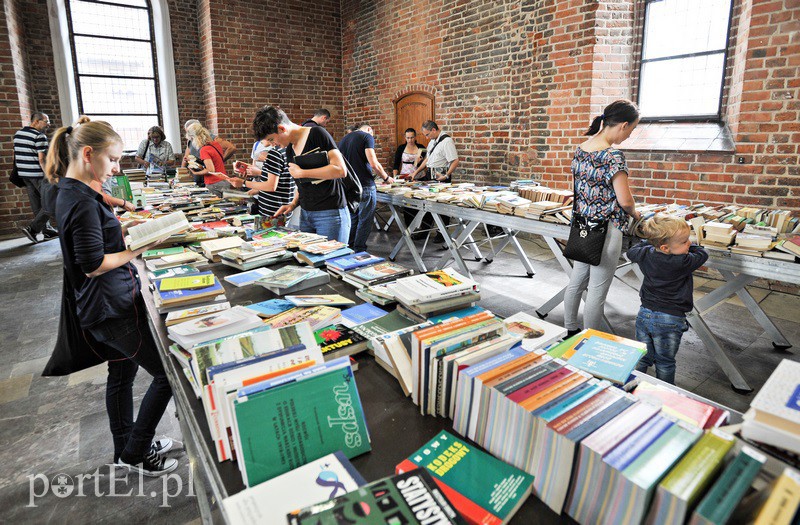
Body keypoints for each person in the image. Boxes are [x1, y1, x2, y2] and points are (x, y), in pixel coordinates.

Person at [47, 118, 177, 476]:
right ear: (89, 154)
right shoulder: (81, 200)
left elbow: (93, 242)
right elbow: (92, 264)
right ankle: (136, 451)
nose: (117, 168)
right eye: (114, 159)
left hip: (105, 304)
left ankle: (126, 444)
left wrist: (123, 231)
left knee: (123, 372)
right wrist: (141, 246)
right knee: (167, 374)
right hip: (109, 307)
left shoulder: (74, 190)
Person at [563, 99, 641, 336]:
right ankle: (589, 339)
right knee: (597, 288)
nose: (629, 135)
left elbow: (579, 189)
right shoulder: (613, 156)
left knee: (577, 280)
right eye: (632, 129)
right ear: (623, 125)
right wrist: (636, 214)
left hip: (582, 226)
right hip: (606, 229)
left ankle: (570, 331)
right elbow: (625, 201)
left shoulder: (582, 147)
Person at [627, 215, 708, 384]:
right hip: (670, 319)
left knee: (642, 358)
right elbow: (703, 253)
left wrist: (651, 242)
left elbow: (631, 252)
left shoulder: (646, 254)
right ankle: (665, 393)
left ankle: (630, 385)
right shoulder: (683, 262)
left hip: (644, 314)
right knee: (665, 363)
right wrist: (692, 247)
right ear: (664, 247)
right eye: (685, 241)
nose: (689, 243)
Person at [253, 106, 350, 242]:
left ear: (282, 129)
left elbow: (340, 170)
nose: (271, 144)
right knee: (309, 261)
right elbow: (302, 184)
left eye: (271, 139)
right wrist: (292, 204)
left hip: (329, 213)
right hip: (306, 213)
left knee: (331, 260)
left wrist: (303, 172)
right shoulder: (289, 149)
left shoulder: (317, 134)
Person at [338, 124, 393, 252]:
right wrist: (386, 178)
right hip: (365, 184)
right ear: (369, 129)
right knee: (365, 219)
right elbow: (374, 163)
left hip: (349, 186)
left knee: (353, 218)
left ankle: (349, 247)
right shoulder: (366, 137)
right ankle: (359, 249)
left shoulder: (344, 140)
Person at [409, 120, 458, 241]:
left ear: (434, 130)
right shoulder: (432, 141)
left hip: (441, 177)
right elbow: (427, 159)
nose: (426, 137)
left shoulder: (447, 141)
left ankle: (442, 233)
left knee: (441, 205)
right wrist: (416, 172)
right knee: (427, 203)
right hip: (430, 175)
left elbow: (455, 161)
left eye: (427, 134)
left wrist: (446, 176)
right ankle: (424, 230)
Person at [15, 112, 58, 243]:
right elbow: (41, 160)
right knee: (50, 202)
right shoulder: (40, 136)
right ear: (37, 121)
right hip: (38, 175)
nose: (49, 124)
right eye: (46, 121)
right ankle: (33, 229)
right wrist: (49, 176)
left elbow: (15, 155)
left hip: (25, 175)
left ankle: (47, 231)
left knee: (37, 205)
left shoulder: (18, 134)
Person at [180, 119, 237, 185]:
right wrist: (181, 172)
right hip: (201, 176)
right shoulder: (190, 141)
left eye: (190, 133)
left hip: (212, 178)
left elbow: (232, 148)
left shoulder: (212, 142)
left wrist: (220, 161)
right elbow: (186, 156)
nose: (189, 136)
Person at [185, 122, 231, 196]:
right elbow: (214, 161)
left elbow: (210, 170)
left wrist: (196, 173)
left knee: (214, 207)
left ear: (195, 138)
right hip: (224, 180)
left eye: (192, 139)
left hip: (214, 183)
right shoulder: (215, 144)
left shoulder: (204, 149)